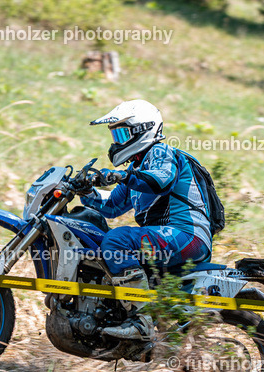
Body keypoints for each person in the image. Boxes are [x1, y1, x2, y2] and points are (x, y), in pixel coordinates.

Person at [77, 99, 213, 341]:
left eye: (122, 134)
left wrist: (120, 175)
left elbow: (161, 180)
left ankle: (140, 321)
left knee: (117, 240)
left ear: (143, 129)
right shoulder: (138, 169)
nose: (117, 142)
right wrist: (85, 191)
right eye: (115, 135)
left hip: (186, 235)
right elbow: (110, 207)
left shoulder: (160, 153)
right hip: (174, 239)